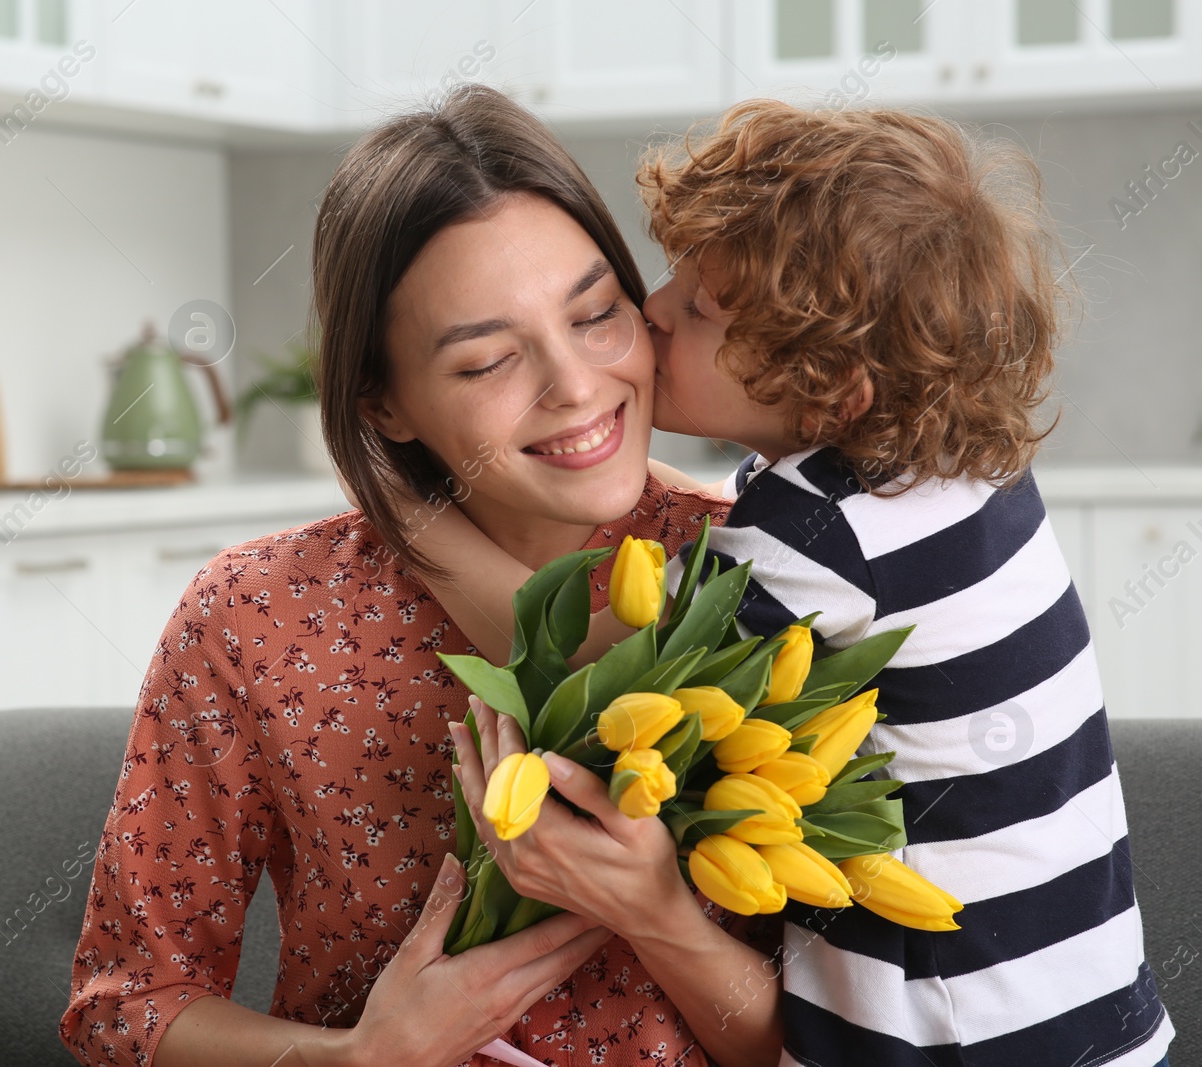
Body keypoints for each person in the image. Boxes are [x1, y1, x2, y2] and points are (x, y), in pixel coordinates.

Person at [396, 100, 1175, 1066]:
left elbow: (589, 663)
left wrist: (411, 516)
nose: (655, 310)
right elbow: (766, 504)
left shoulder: (815, 537)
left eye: (702, 309)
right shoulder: (962, 468)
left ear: (831, 383)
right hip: (1089, 996)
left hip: (956, 1024)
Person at [58, 85, 783, 1067]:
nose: (575, 386)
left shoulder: (768, 579)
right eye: (487, 362)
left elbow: (858, 1044)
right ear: (383, 400)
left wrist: (660, 917)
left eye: (597, 315)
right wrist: (361, 1056)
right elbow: (124, 1002)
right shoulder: (255, 616)